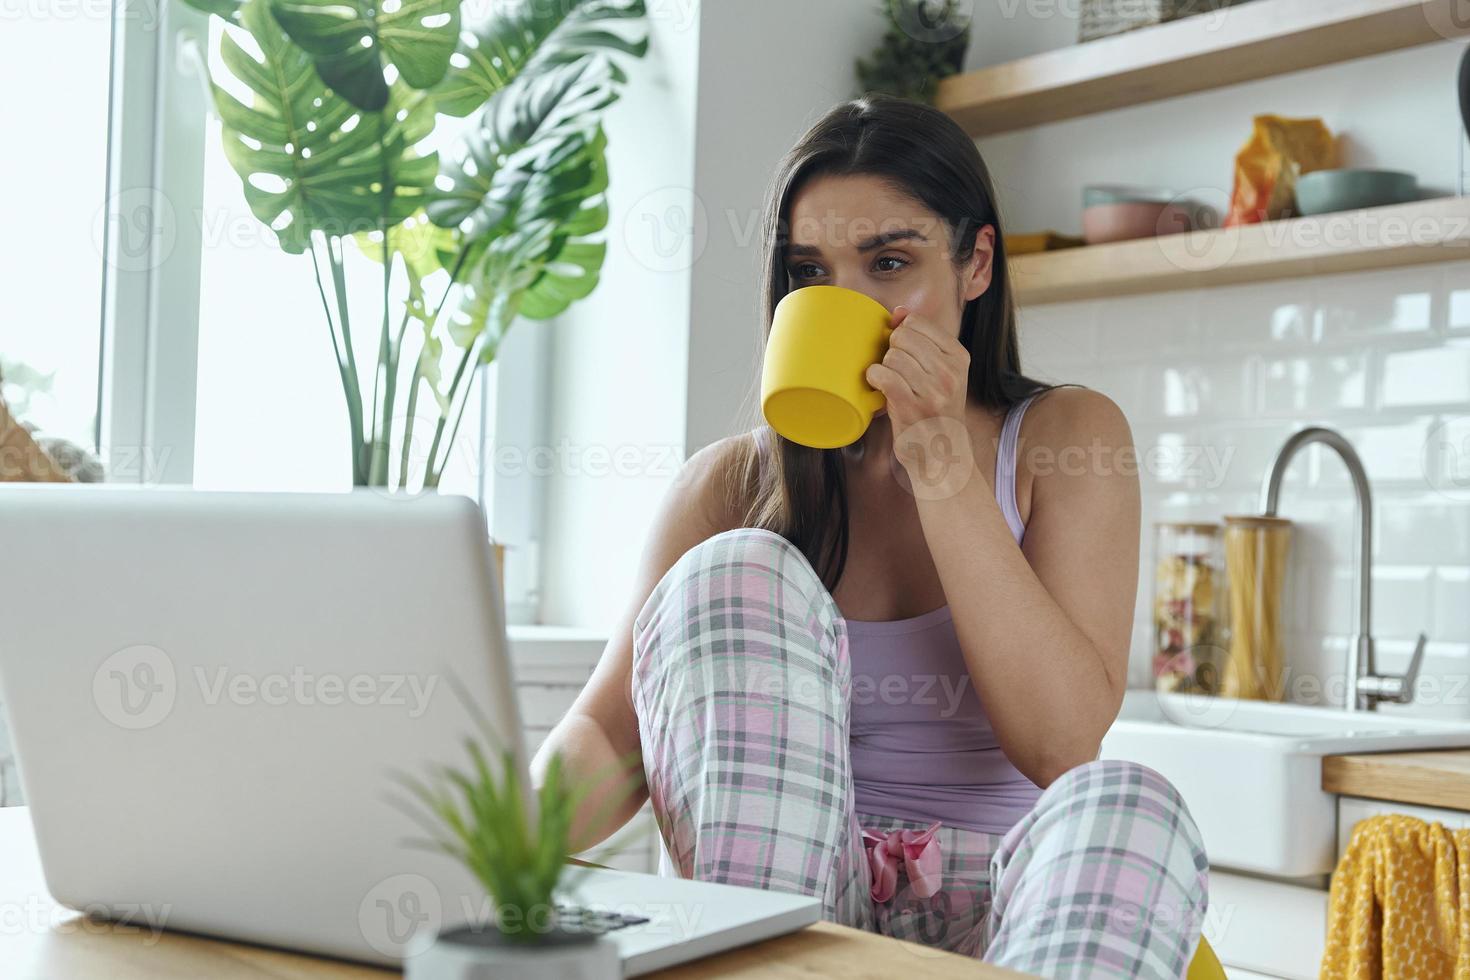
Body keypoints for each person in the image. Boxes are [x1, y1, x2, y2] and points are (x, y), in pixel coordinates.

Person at [532, 93, 1208, 978]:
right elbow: (610, 736)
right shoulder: (728, 486)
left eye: (889, 261)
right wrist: (468, 857)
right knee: (738, 571)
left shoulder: (1067, 437)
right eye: (812, 274)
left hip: (1005, 925)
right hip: (790, 917)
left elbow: (1060, 744)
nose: (846, 302)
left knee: (1132, 803)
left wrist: (943, 470)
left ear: (976, 264)